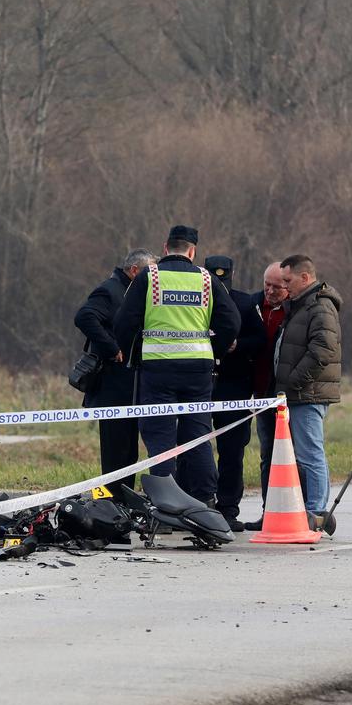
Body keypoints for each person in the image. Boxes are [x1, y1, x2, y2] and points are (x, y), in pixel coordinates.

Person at [114, 225, 240, 504]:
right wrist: (212, 350)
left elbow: (124, 321)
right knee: (197, 436)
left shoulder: (150, 277)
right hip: (198, 370)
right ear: (192, 252)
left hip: (158, 369)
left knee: (160, 439)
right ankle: (205, 500)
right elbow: (231, 321)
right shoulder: (207, 280)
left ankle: (165, 504)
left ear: (165, 247)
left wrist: (133, 352)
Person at [74, 248, 157, 498]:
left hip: (129, 387)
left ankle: (123, 501)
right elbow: (84, 317)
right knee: (115, 451)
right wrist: (112, 348)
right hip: (112, 387)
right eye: (149, 272)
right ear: (134, 271)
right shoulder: (109, 291)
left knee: (128, 449)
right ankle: (110, 504)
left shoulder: (131, 291)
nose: (154, 279)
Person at [274, 254, 342, 521]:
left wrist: (293, 382)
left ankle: (316, 511)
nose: (284, 287)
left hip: (307, 394)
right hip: (298, 393)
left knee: (310, 454)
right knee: (305, 454)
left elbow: (322, 350)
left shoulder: (320, 307)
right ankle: (309, 509)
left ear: (305, 277)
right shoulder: (301, 306)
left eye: (288, 280)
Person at [203, 256, 265, 532]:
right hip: (201, 384)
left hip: (234, 385)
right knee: (195, 447)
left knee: (231, 450)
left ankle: (228, 508)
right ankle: (199, 502)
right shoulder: (195, 301)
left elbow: (261, 339)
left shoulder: (244, 303)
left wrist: (237, 345)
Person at [243, 262, 290, 532]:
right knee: (268, 455)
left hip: (286, 395)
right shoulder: (252, 305)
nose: (270, 291)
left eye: (277, 287)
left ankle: (301, 510)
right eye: (266, 285)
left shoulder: (295, 311)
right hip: (261, 394)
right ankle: (268, 511)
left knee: (294, 456)